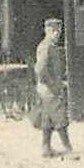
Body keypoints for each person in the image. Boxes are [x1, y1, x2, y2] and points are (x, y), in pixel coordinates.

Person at [33, 18, 75, 160]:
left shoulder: (48, 46)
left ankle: (46, 147)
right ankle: (68, 149)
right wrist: (53, 84)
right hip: (49, 88)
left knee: (47, 118)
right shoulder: (47, 47)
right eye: (54, 31)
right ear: (47, 31)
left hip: (47, 86)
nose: (57, 34)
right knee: (59, 117)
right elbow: (41, 69)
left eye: (59, 31)